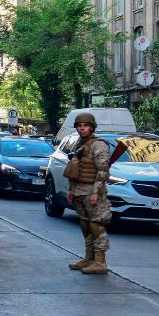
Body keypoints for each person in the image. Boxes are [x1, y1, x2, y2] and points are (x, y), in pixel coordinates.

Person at [65, 112, 112, 275]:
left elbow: (103, 171)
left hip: (92, 191)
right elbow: (74, 167)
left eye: (85, 126)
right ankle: (89, 258)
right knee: (85, 224)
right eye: (79, 126)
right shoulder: (80, 143)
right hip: (79, 190)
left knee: (96, 225)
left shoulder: (99, 145)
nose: (81, 128)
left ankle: (100, 262)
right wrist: (71, 189)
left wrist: (96, 192)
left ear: (92, 127)